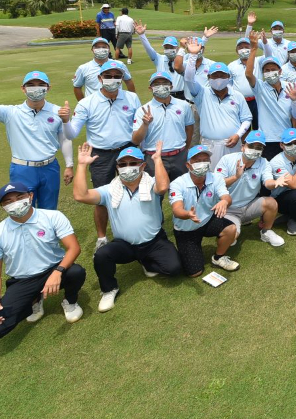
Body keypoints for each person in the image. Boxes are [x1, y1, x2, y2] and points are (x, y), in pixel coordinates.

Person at [72, 142, 182, 312]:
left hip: (153, 241)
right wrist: (81, 165)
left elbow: (163, 187)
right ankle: (109, 289)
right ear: (117, 167)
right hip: (125, 245)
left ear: (142, 166)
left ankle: (147, 262)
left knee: (174, 268)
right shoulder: (110, 190)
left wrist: (157, 159)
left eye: (133, 163)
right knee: (102, 255)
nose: (127, 167)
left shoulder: (151, 183)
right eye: (123, 164)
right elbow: (80, 195)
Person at [0, 61, 73, 209]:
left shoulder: (59, 112)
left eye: (41, 85)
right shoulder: (11, 113)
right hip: (22, 169)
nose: (36, 88)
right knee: (24, 210)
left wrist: (69, 165)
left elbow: (65, 139)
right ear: (23, 89)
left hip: (50, 168)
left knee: (49, 209)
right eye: (31, 85)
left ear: (48, 88)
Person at [0, 181, 85, 339]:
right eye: (8, 201)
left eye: (20, 197)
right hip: (22, 281)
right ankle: (34, 301)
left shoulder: (52, 217)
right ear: (2, 206)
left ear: (30, 196)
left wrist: (58, 272)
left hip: (54, 269)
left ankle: (70, 301)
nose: (15, 203)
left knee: (76, 272)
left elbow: (74, 248)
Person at [61, 60, 141, 251]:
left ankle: (135, 231)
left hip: (127, 151)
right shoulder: (86, 103)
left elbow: (138, 127)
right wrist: (65, 121)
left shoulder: (132, 98)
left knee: (135, 192)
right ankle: (102, 237)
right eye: (108, 76)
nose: (113, 79)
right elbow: (71, 134)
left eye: (117, 76)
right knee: (101, 198)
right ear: (100, 78)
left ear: (122, 78)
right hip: (100, 154)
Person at [167, 144, 240, 277]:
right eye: (197, 161)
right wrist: (188, 214)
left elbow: (226, 197)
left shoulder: (216, 178)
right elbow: (177, 210)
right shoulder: (177, 184)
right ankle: (188, 250)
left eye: (205, 160)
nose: (202, 164)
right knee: (195, 272)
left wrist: (224, 201)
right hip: (186, 229)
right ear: (188, 165)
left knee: (231, 229)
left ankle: (218, 258)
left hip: (207, 220)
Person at [217, 130, 286, 247]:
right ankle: (232, 228)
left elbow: (267, 182)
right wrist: (235, 177)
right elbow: (217, 185)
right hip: (229, 210)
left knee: (271, 203)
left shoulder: (264, 162)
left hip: (249, 206)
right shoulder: (227, 159)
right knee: (230, 238)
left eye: (258, 148)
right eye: (251, 146)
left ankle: (266, 231)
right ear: (243, 147)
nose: (254, 150)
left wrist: (275, 182)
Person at [243, 39, 296, 160]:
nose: (270, 72)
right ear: (262, 73)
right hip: (267, 139)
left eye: (273, 69)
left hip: (286, 138)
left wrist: (294, 101)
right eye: (266, 70)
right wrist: (254, 49)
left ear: (280, 71)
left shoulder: (290, 87)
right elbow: (248, 74)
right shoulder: (260, 88)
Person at [181, 60, 251, 168]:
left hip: (233, 144)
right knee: (211, 175)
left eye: (222, 76)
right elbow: (189, 79)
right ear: (208, 77)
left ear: (228, 77)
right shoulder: (201, 93)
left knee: (234, 174)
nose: (219, 79)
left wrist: (238, 135)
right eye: (215, 76)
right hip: (210, 145)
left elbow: (246, 119)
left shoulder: (237, 96)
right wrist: (193, 56)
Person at [130, 71, 195, 181]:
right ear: (150, 88)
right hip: (153, 158)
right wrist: (145, 124)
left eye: (165, 83)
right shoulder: (143, 110)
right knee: (156, 190)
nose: (161, 86)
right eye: (156, 84)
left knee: (180, 189)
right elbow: (136, 140)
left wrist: (185, 149)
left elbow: (189, 128)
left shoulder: (183, 105)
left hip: (179, 157)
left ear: (171, 86)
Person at [267, 128, 296, 236]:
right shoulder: (276, 162)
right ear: (281, 145)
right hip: (283, 198)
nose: (293, 146)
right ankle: (294, 219)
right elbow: (294, 185)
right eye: (289, 143)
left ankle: (295, 214)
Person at [135, 25, 185, 99]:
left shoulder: (182, 59)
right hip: (163, 94)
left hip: (181, 95)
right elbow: (149, 49)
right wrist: (142, 35)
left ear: (177, 48)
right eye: (166, 47)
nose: (169, 49)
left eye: (171, 47)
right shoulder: (159, 59)